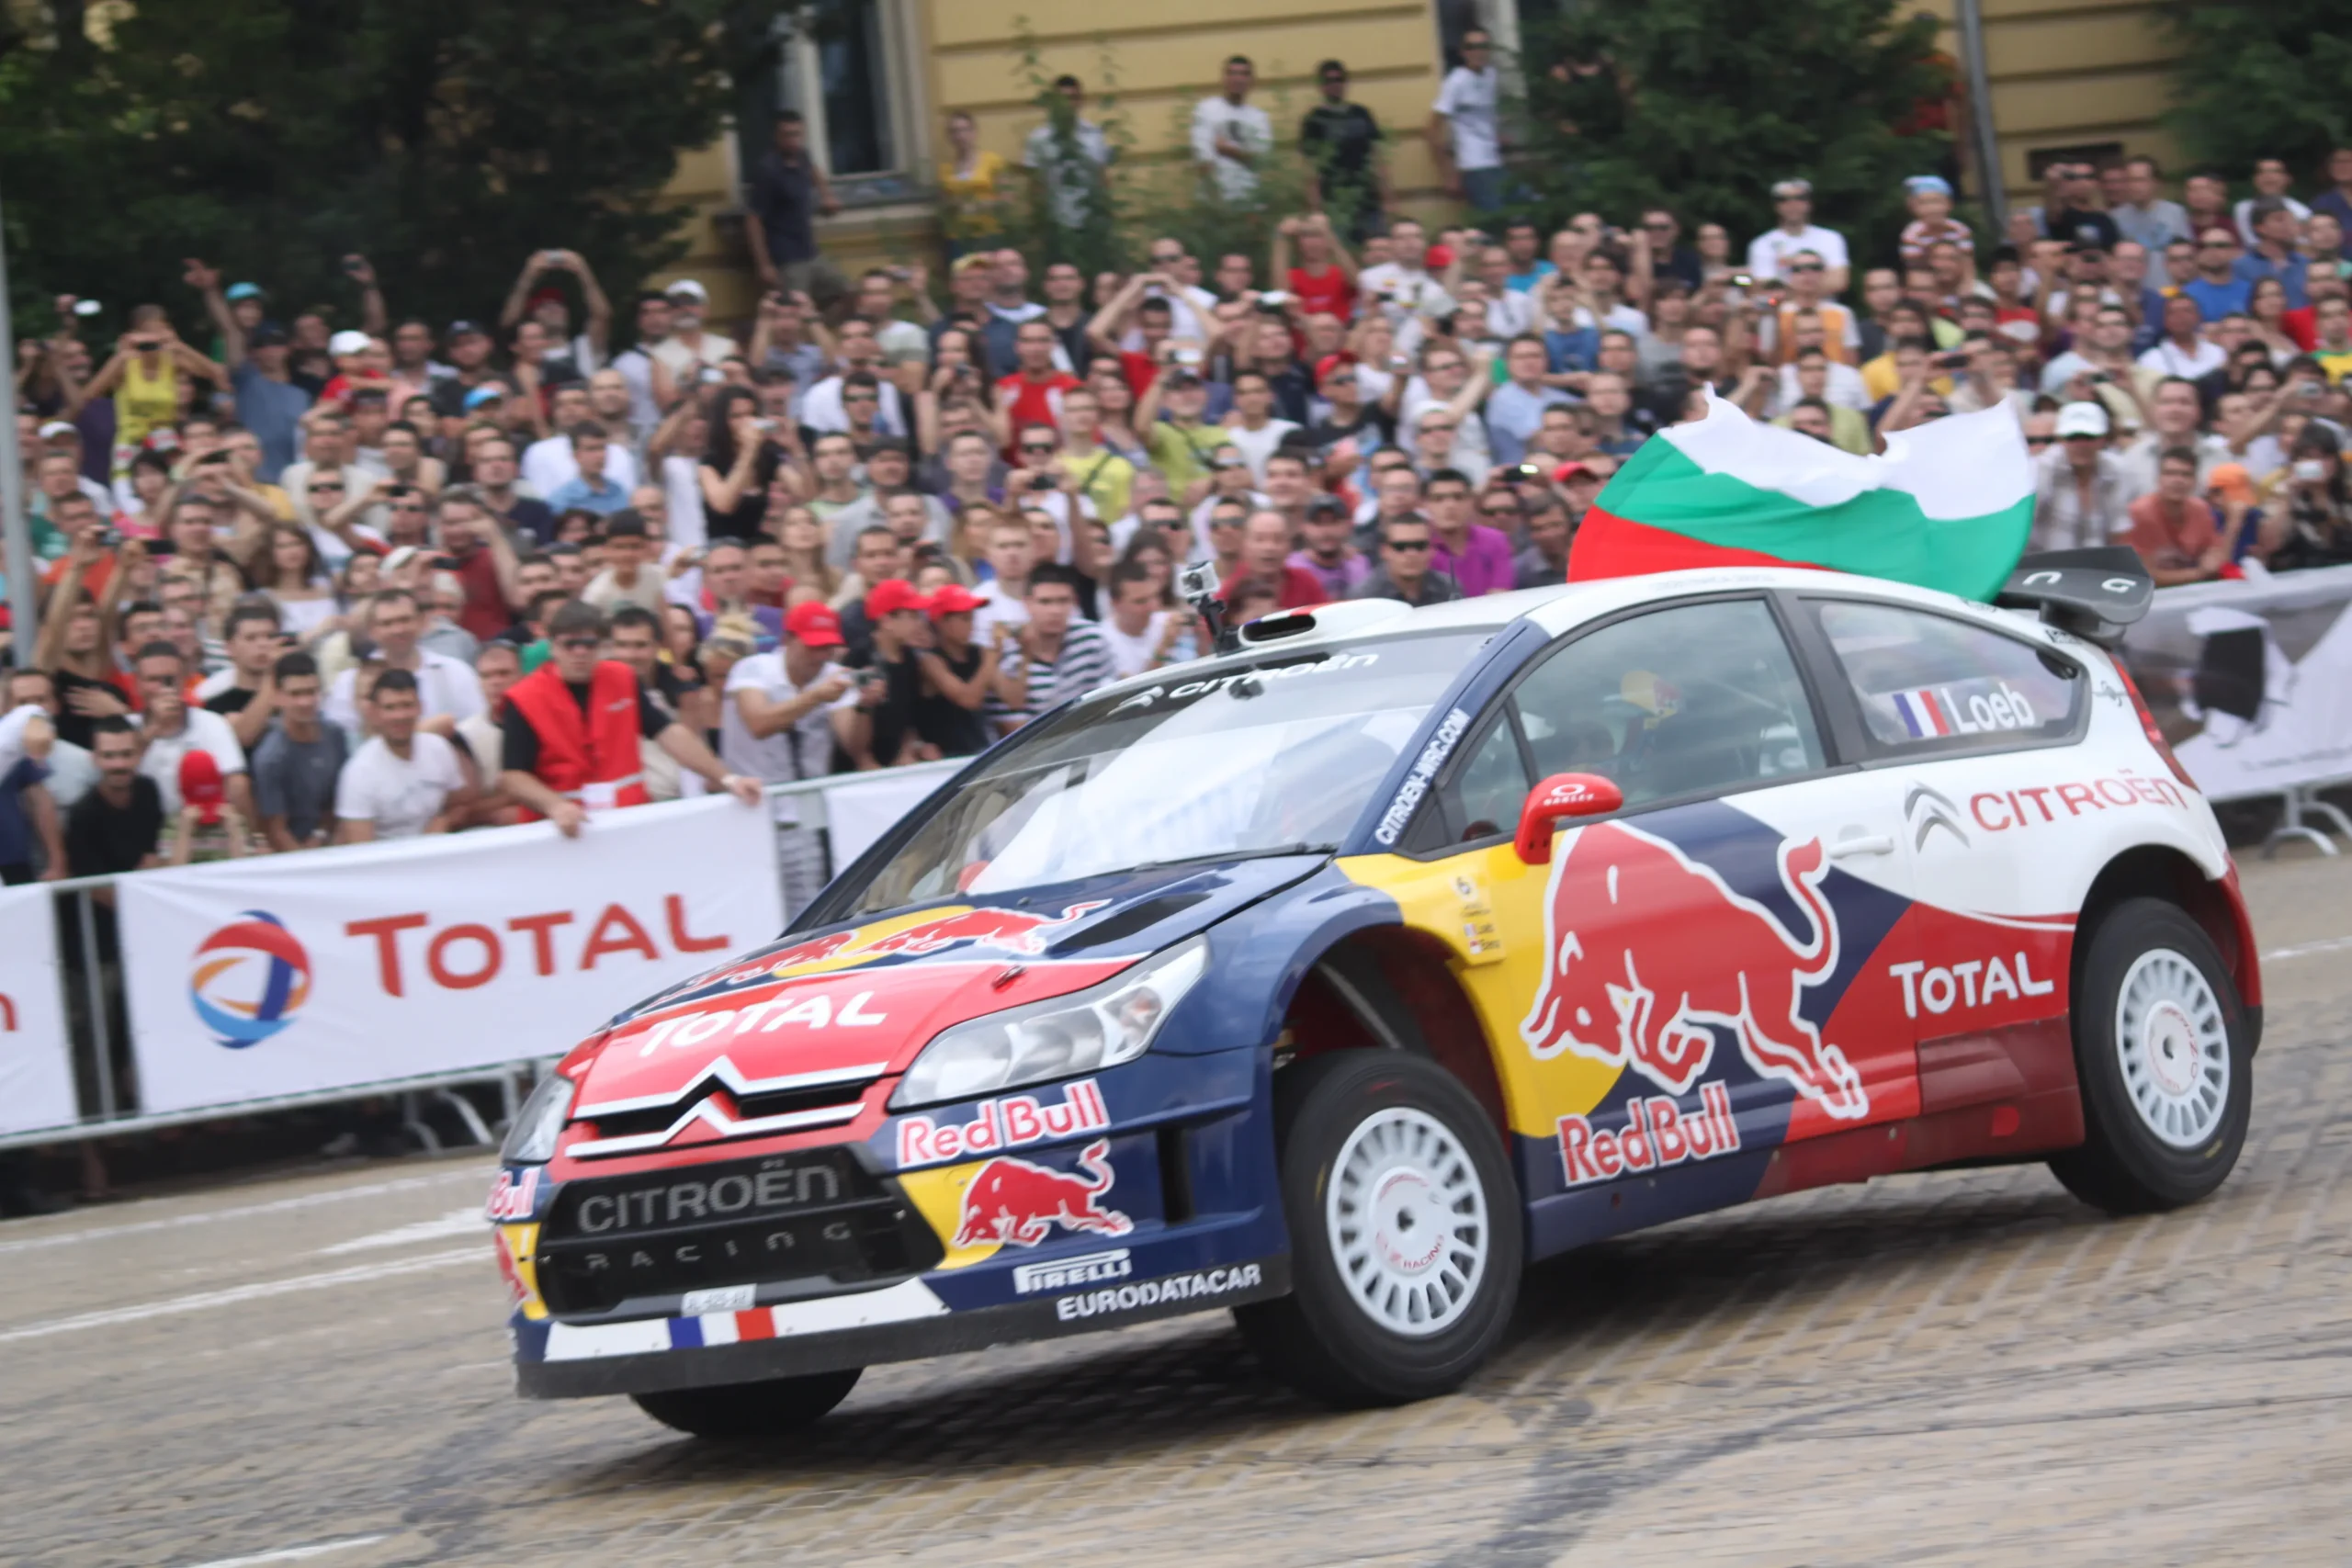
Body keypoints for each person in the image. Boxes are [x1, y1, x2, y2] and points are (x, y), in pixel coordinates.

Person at [500, 600, 758, 835]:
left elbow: (668, 733)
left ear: (601, 646)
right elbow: (513, 775)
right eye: (570, 644)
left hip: (627, 821)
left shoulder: (622, 678)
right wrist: (555, 806)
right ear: (553, 645)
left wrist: (728, 778)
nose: (580, 652)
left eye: (589, 645)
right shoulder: (524, 698)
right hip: (562, 830)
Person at [323, 588, 485, 739]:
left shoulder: (455, 672)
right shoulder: (349, 682)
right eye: (387, 623)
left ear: (422, 622)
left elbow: (475, 730)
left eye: (405, 620)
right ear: (372, 630)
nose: (398, 630)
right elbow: (342, 738)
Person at [992, 565, 1114, 729]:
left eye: (1063, 601)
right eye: (1045, 602)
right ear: (1027, 603)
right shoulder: (1008, 651)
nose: (1055, 611)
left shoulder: (1091, 639)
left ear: (1075, 602)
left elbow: (1109, 698)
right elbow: (1011, 727)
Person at [247, 651, 347, 852]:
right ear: (277, 696)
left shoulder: (335, 735)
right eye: (295, 694)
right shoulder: (270, 757)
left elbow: (341, 800)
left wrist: (322, 835)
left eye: (311, 692)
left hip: (332, 837)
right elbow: (276, 830)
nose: (305, 702)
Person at [746, 110, 842, 304]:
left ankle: (822, 329)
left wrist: (827, 196)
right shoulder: (768, 170)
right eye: (787, 135)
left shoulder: (802, 156)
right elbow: (752, 219)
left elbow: (814, 170)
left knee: (847, 292)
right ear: (776, 136)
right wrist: (764, 265)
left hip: (810, 251)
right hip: (786, 259)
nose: (793, 140)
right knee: (794, 308)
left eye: (797, 134)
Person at [65, 717, 164, 878]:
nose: (119, 764)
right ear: (94, 759)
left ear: (139, 755)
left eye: (126, 754)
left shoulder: (148, 790)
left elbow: (154, 856)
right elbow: (93, 886)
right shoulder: (82, 815)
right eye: (108, 756)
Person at [1300, 62, 1388, 239]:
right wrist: (1315, 208)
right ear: (1321, 86)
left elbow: (1378, 157)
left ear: (1346, 83)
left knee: (1377, 248)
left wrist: (1388, 197)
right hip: (1333, 201)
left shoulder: (1361, 113)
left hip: (1368, 199)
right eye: (1329, 80)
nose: (1335, 84)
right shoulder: (1314, 120)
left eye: (1339, 79)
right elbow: (1310, 168)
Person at [910, 583, 998, 756]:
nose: (971, 624)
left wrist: (1023, 655)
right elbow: (968, 700)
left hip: (979, 746)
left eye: (972, 617)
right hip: (946, 752)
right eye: (964, 619)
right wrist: (992, 659)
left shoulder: (978, 652)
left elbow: (1012, 698)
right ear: (942, 622)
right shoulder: (930, 660)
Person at [2031, 401, 2132, 551]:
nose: (2081, 444)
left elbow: (2118, 530)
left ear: (2103, 439)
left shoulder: (2116, 469)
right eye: (2073, 437)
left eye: (2089, 437)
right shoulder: (2040, 469)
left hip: (2098, 565)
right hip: (2044, 564)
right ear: (2060, 439)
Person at [1023, 75, 1115, 233]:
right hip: (1056, 224)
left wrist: (1106, 213)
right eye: (1062, 99)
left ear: (1080, 101)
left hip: (1090, 221)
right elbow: (1036, 185)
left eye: (1073, 98)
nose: (1068, 104)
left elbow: (1102, 177)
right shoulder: (1039, 139)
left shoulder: (1093, 135)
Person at [2123, 447, 2227, 585]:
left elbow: (2214, 550)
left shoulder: (2200, 509)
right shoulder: (2139, 513)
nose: (2178, 480)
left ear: (2195, 480)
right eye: (2170, 473)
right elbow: (2143, 576)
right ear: (2158, 478)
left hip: (2193, 591)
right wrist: (2200, 573)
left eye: (2186, 475)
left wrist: (2212, 558)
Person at [1430, 28, 1503, 210]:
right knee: (1494, 217)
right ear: (1463, 52)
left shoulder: (1491, 75)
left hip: (1495, 160)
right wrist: (1448, 174)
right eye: (1472, 47)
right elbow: (1431, 129)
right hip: (1473, 164)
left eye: (1483, 46)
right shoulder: (1456, 82)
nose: (1478, 51)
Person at [1746, 179, 1851, 292]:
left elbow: (1839, 282)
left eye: (1800, 198)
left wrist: (1794, 291)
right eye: (1784, 199)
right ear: (1776, 206)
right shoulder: (1762, 244)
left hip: (1826, 307)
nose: (1792, 204)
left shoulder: (1831, 238)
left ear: (1809, 203)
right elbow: (1763, 286)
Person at [1192, 55, 1272, 204]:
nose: (1238, 79)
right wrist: (1244, 154)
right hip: (1213, 199)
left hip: (1249, 198)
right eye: (1232, 73)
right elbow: (1203, 156)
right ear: (1224, 78)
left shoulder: (1259, 118)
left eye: (1244, 74)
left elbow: (1262, 159)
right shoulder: (1207, 110)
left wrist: (1227, 149)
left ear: (1252, 81)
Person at [1348, 515, 1462, 605]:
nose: (1411, 554)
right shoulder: (1364, 598)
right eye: (1400, 546)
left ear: (1431, 550)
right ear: (1384, 551)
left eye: (1419, 545)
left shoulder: (1450, 589)